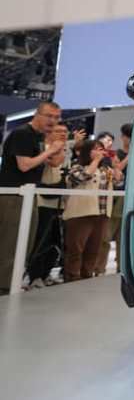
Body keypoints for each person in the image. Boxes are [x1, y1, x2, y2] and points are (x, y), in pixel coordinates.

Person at [0, 101, 63, 294]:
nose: (53, 121)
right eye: (49, 116)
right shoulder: (23, 134)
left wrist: (56, 147)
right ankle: (4, 287)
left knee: (24, 242)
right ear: (37, 114)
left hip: (28, 195)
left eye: (56, 117)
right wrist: (50, 150)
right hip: (14, 196)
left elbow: (54, 163)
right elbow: (24, 165)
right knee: (11, 243)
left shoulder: (39, 137)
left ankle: (10, 283)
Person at [62, 139, 124, 282]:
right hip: (80, 214)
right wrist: (96, 161)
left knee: (94, 249)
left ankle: (87, 277)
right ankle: (72, 277)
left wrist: (116, 167)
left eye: (101, 149)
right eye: (95, 149)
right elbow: (82, 177)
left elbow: (119, 181)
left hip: (102, 214)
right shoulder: (76, 167)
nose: (99, 152)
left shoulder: (105, 170)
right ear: (87, 151)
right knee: (76, 249)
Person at [26, 123, 68, 288]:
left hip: (60, 203)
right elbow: (54, 162)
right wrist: (57, 149)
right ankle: (34, 276)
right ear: (49, 132)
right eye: (58, 131)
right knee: (40, 240)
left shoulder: (65, 150)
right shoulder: (44, 148)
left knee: (55, 241)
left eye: (65, 131)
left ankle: (45, 274)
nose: (63, 134)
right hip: (43, 202)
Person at [95, 124, 132, 274]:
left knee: (123, 237)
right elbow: (117, 170)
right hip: (115, 197)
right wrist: (129, 157)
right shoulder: (116, 154)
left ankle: (121, 267)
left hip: (131, 198)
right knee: (106, 235)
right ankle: (99, 268)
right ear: (123, 137)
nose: (130, 140)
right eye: (128, 136)